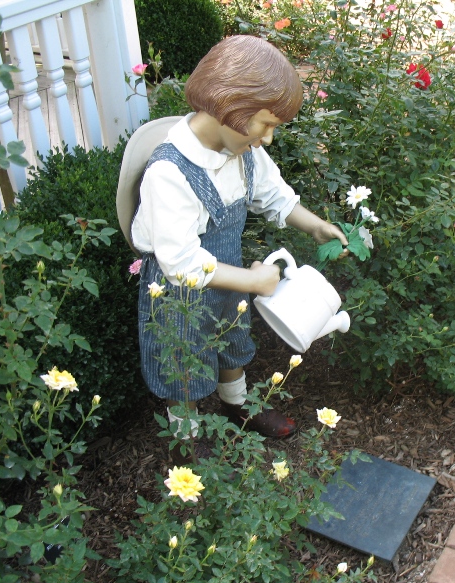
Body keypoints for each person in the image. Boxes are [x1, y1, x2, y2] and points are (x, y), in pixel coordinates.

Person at [130, 35, 347, 440]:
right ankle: (185, 441)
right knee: (184, 366)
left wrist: (314, 224)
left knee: (232, 341)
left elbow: (274, 194)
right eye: (265, 124)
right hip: (179, 297)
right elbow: (180, 263)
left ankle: (238, 405)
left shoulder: (243, 151)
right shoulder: (170, 172)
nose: (267, 138)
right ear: (231, 107)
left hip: (226, 279)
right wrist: (251, 281)